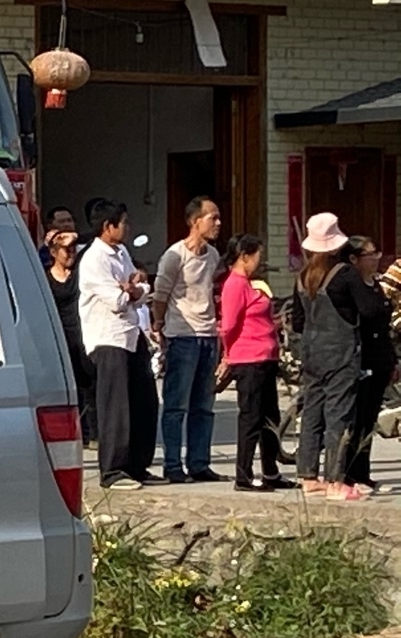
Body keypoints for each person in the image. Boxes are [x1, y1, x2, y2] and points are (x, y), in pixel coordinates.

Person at [79, 199, 161, 489]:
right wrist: (129, 289)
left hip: (131, 333)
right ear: (107, 226)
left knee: (145, 400)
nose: (127, 227)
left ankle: (137, 465)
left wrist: (132, 288)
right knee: (116, 405)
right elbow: (115, 300)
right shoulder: (94, 259)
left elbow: (141, 287)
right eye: (123, 222)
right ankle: (112, 470)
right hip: (107, 337)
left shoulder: (122, 251)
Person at [286, 212, 367, 500]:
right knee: (339, 415)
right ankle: (335, 480)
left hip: (311, 353)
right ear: (335, 244)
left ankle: (308, 476)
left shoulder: (303, 276)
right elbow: (368, 309)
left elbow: (297, 321)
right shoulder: (344, 274)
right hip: (340, 353)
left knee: (312, 414)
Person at [151, 197, 226, 482]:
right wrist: (159, 325)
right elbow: (160, 295)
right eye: (212, 218)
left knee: (204, 405)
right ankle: (172, 465)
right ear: (196, 221)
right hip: (182, 335)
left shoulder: (213, 255)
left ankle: (199, 462)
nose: (218, 223)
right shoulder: (174, 255)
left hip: (208, 335)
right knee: (175, 404)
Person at [217, 234, 288, 492]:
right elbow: (229, 326)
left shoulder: (250, 284)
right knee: (251, 418)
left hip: (266, 355)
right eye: (257, 255)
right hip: (249, 359)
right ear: (245, 256)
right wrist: (227, 356)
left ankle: (271, 470)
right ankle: (243, 475)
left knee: (270, 417)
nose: (260, 260)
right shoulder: (234, 284)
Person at [341, 236, 397, 492]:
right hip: (360, 360)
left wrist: (392, 360)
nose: (376, 259)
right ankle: (348, 473)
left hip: (381, 357)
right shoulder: (351, 287)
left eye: (377, 253)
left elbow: (384, 325)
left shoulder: (376, 285)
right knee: (357, 417)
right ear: (354, 259)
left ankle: (363, 472)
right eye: (370, 254)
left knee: (369, 420)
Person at [45, 222, 94, 430]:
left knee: (89, 383)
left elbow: (93, 242)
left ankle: (93, 431)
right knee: (68, 383)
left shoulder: (79, 273)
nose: (71, 253)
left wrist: (73, 235)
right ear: (54, 252)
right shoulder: (45, 277)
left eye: (74, 249)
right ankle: (75, 429)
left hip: (82, 334)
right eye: (66, 249)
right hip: (60, 337)